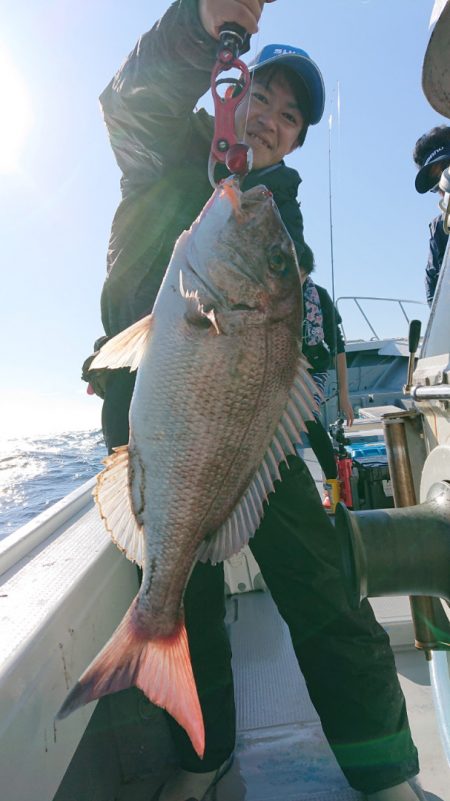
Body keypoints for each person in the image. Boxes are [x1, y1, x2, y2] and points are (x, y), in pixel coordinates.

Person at [89, 2, 427, 799]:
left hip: (247, 426)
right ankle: (202, 763)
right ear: (228, 90)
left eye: (290, 117)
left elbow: (286, 337)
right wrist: (202, 21)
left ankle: (385, 770)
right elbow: (127, 100)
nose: (272, 121)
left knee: (320, 580)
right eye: (262, 98)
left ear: (299, 140)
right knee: (188, 599)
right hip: (149, 417)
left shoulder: (281, 218)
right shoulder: (165, 154)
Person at [298, 244, 353, 507]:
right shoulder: (271, 297)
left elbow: (338, 346)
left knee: (306, 414)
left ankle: (332, 485)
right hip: (281, 369)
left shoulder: (319, 296)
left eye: (301, 273)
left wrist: (344, 394)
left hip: (313, 368)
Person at [413, 124, 450, 306]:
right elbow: (433, 295)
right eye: (436, 182)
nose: (443, 186)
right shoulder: (439, 229)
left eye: (447, 170)